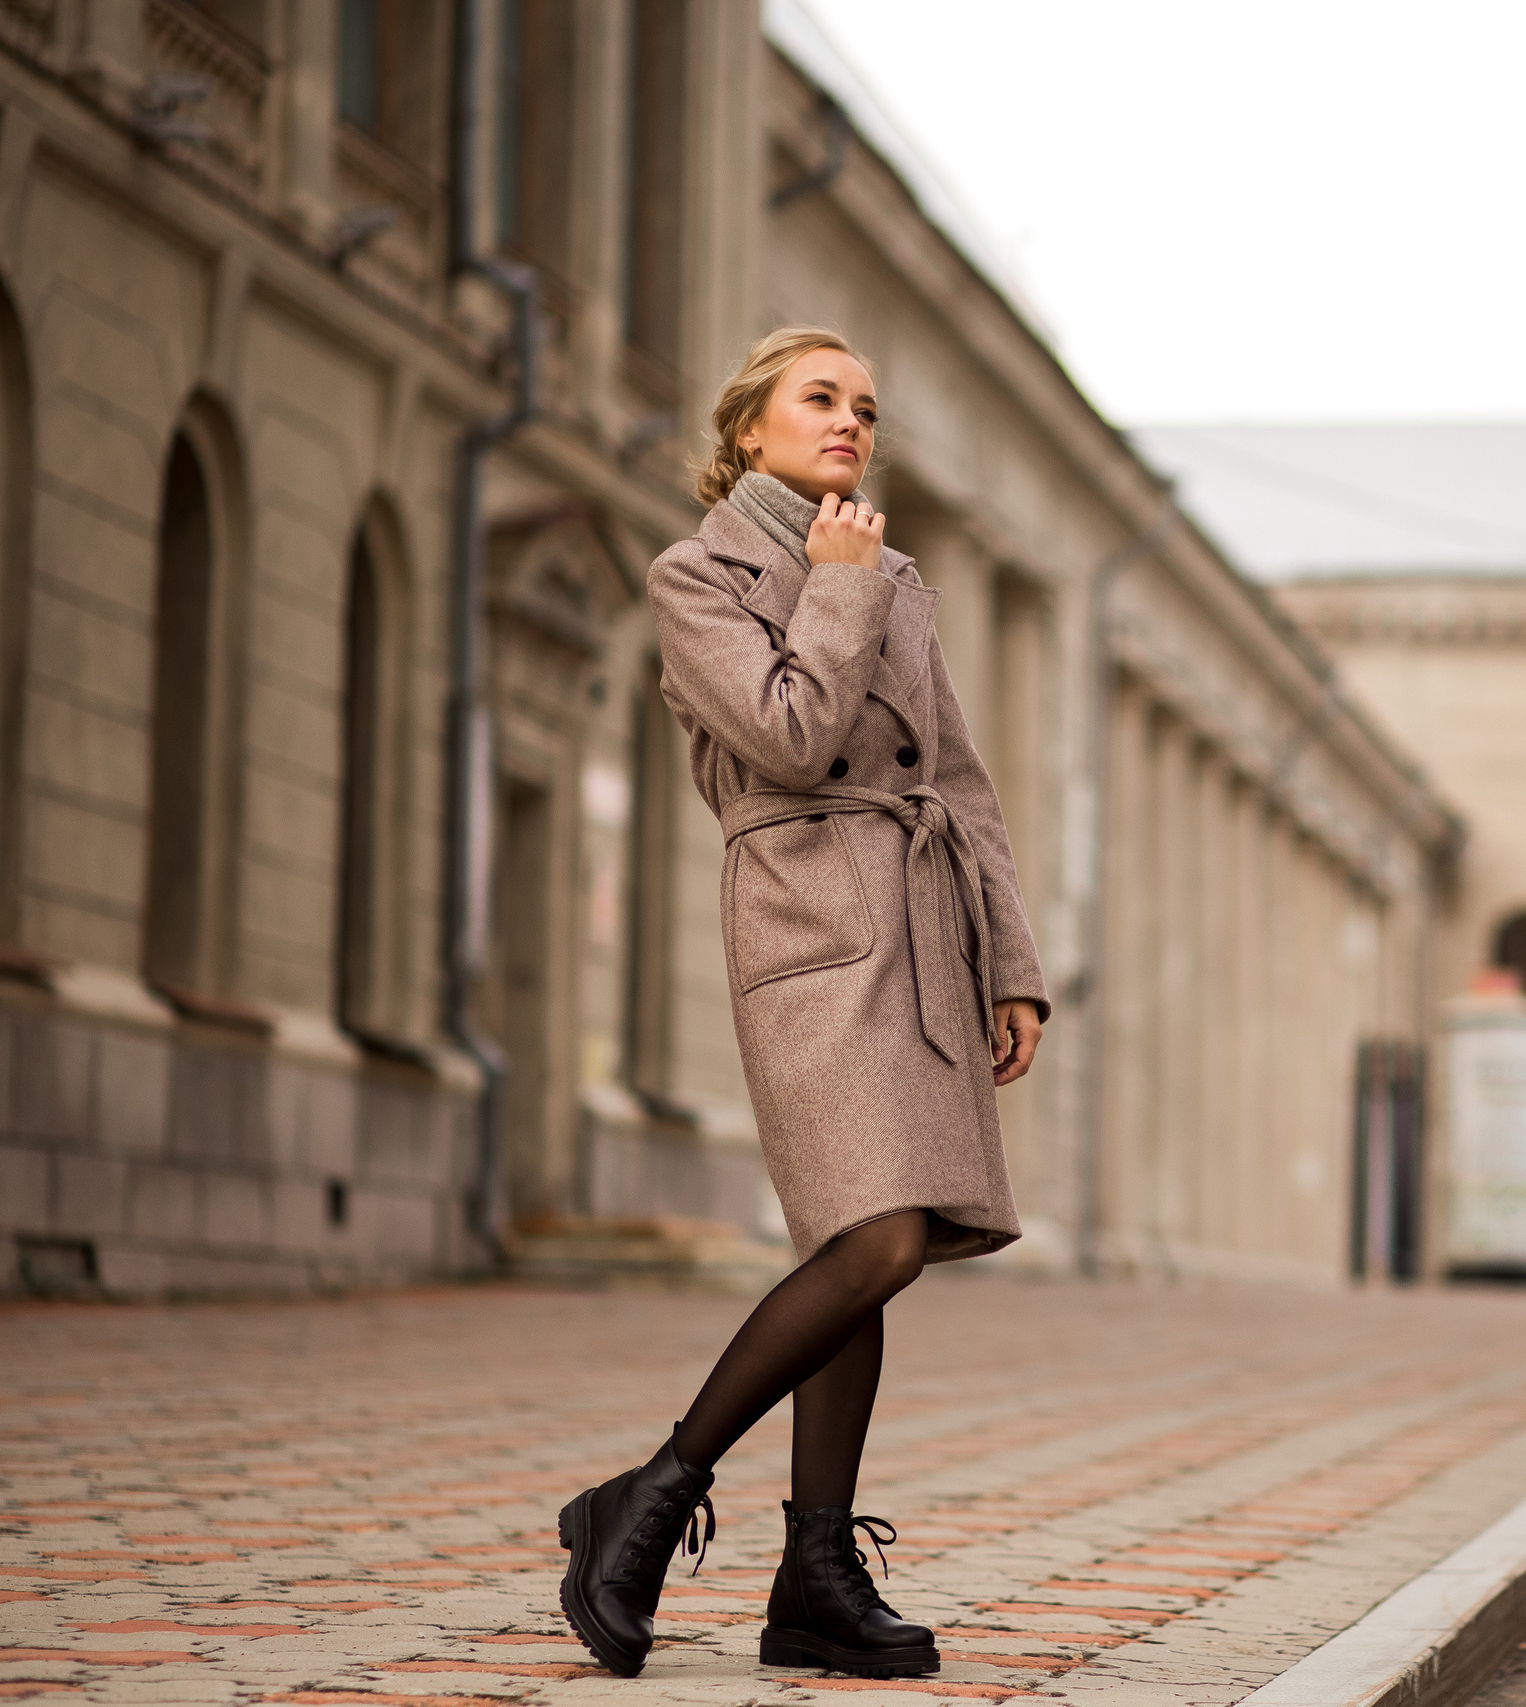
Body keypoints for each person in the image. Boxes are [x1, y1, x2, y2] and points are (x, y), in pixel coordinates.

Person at [556, 327, 1049, 1681]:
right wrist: (836, 587)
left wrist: (1010, 962)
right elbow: (788, 736)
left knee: (867, 1240)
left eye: (866, 408)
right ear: (748, 430)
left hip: (922, 925)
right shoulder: (697, 574)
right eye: (820, 399)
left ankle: (815, 1578)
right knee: (875, 1240)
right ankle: (649, 1497)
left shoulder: (895, 576)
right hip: (809, 927)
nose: (850, 423)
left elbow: (957, 779)